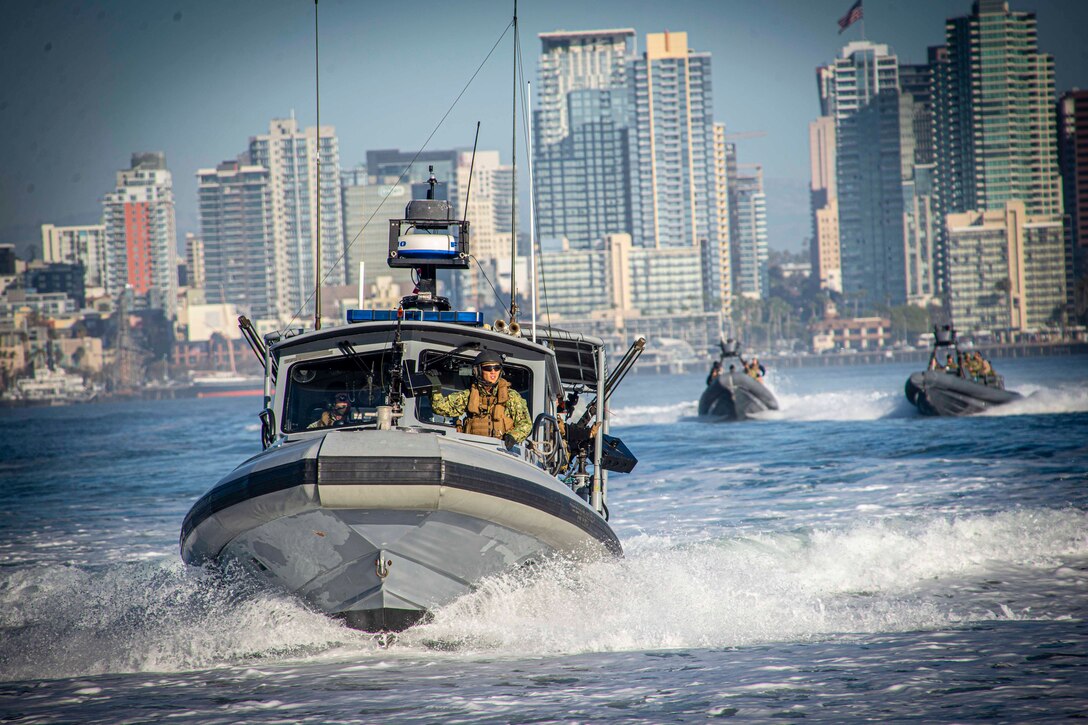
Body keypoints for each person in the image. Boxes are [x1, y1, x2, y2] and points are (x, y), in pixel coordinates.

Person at [428, 350, 531, 447]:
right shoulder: (470, 395)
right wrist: (434, 384)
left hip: (500, 449)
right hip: (474, 447)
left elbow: (525, 423)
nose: (493, 372)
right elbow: (440, 407)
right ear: (478, 370)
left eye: (497, 368)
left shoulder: (511, 396)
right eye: (488, 368)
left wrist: (513, 436)